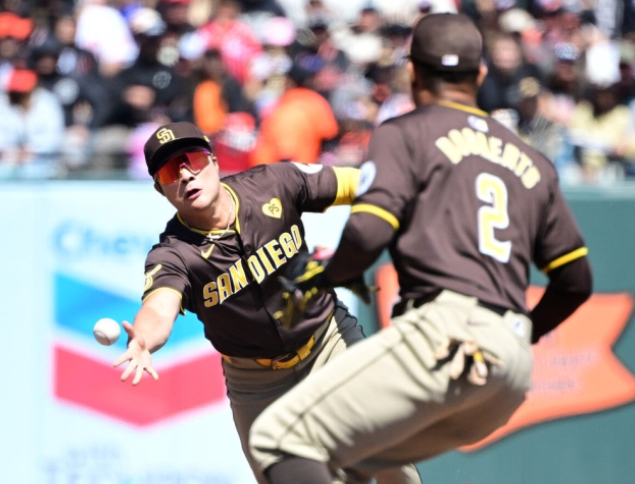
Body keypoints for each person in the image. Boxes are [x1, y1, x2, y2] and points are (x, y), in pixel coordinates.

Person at [248, 13, 593, 484]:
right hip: (508, 369)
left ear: (412, 73)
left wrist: (331, 276)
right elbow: (576, 281)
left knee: (278, 439)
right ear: (481, 75)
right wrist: (519, 335)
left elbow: (367, 233)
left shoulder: (406, 132)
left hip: (446, 333)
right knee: (353, 461)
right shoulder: (531, 159)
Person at [113, 121, 422, 484]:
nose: (185, 175)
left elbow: (359, 184)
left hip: (328, 343)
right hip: (256, 382)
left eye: (192, 159)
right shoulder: (174, 254)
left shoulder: (273, 183)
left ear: (212, 160)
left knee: (387, 456)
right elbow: (159, 308)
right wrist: (145, 339)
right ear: (159, 188)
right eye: (169, 170)